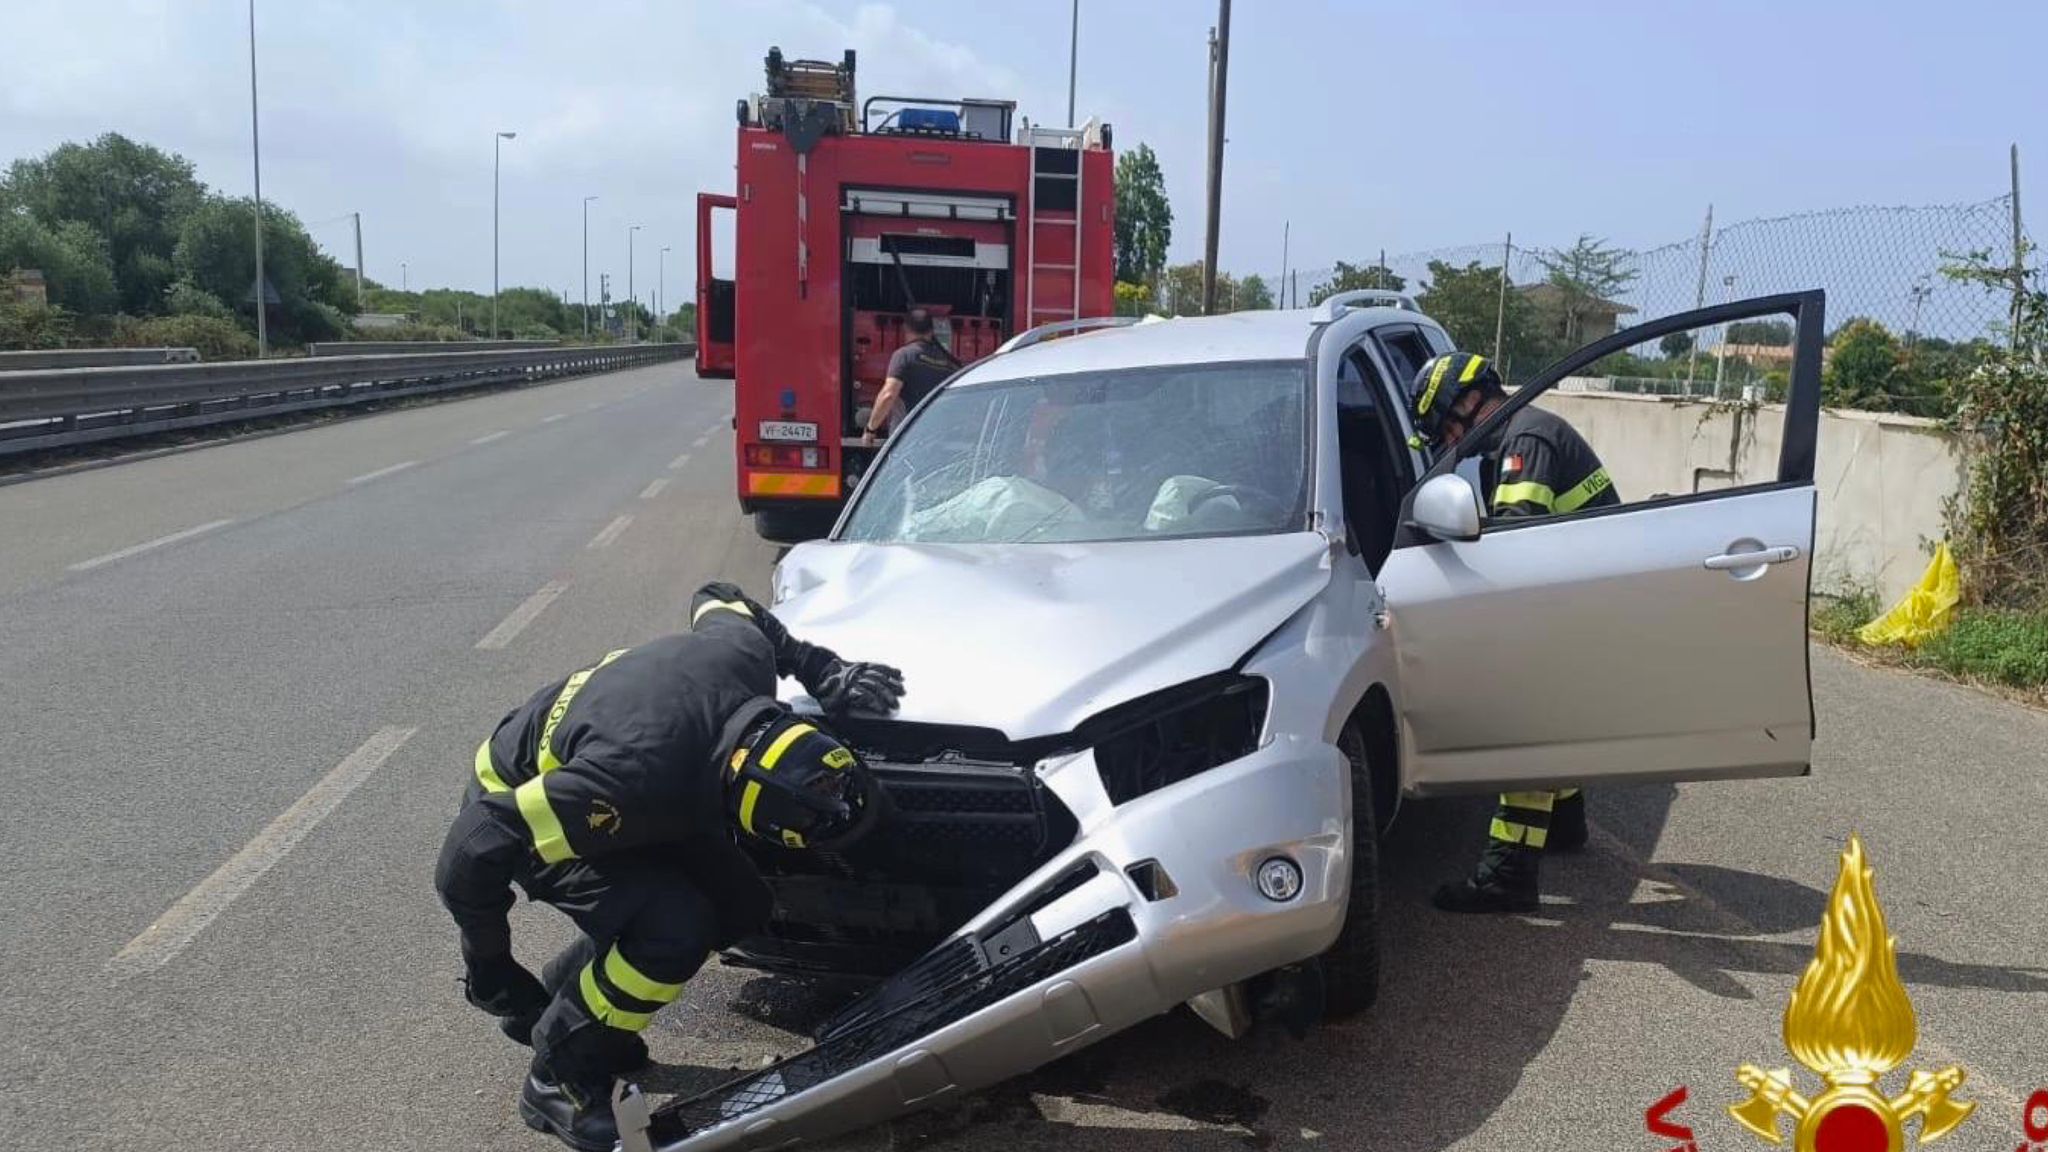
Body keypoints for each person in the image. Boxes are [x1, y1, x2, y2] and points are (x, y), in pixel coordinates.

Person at [434, 582, 906, 1150]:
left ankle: (573, 1000)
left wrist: (819, 666)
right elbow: (476, 843)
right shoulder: (625, 782)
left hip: (644, 764)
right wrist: (489, 963)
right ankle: (560, 1074)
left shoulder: (743, 658)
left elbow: (720, 595)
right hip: (523, 806)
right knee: (672, 930)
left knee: (741, 903)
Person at [1405, 351, 1618, 914]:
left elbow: (1515, 545)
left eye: (1447, 427)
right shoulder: (1528, 432)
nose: (1451, 440)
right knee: (1554, 715)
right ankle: (1565, 824)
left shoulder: (1527, 442)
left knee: (1526, 730)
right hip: (1584, 601)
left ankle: (1507, 876)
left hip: (1577, 609)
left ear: (1467, 403)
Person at [861, 307, 960, 445]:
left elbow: (888, 394)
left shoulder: (904, 356)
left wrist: (870, 429)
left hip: (908, 441)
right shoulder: (949, 363)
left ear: (906, 329)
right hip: (939, 442)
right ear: (931, 331)